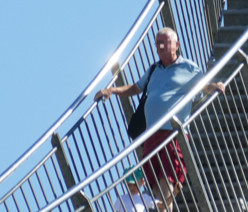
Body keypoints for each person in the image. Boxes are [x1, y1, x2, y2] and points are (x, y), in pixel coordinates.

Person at [96, 27, 225, 211]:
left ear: (177, 45)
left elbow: (204, 86)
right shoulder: (153, 69)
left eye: (166, 42)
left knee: (167, 183)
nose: (162, 46)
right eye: (158, 43)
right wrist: (112, 90)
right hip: (151, 136)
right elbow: (136, 88)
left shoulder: (188, 67)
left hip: (173, 134)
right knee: (158, 187)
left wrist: (215, 86)